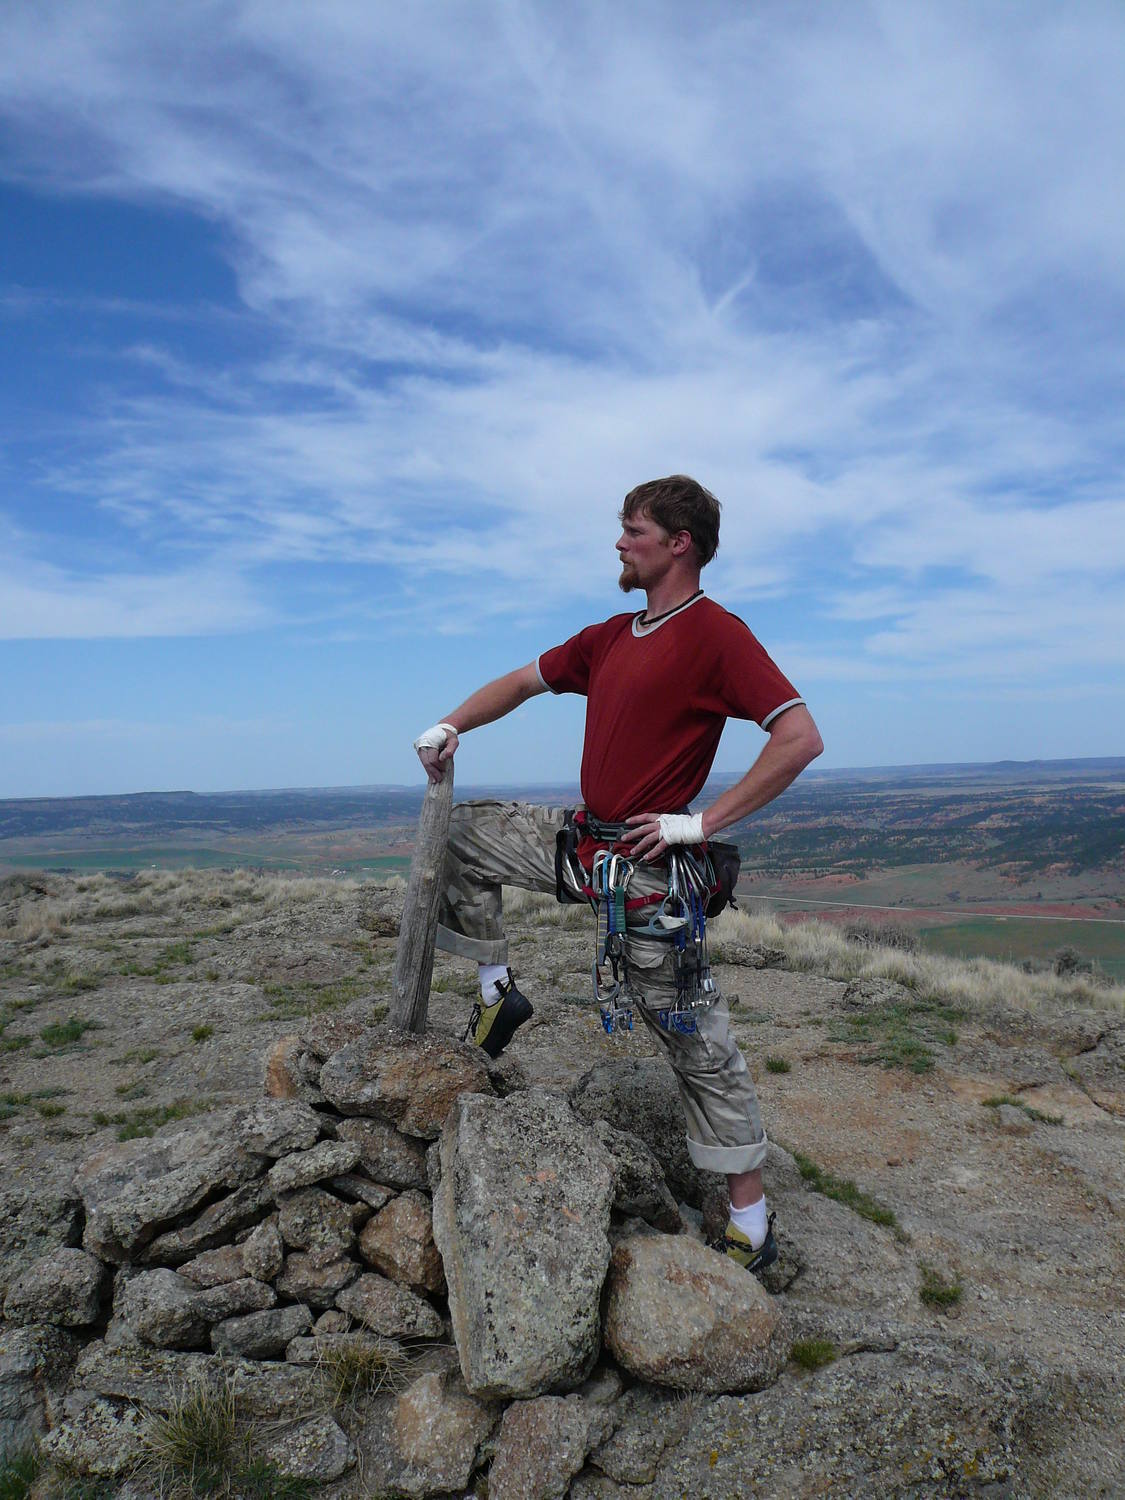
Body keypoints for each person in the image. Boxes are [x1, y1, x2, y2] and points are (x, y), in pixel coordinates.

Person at [413, 475, 823, 1275]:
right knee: (463, 836)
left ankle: (749, 1216)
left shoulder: (714, 635)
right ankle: (498, 993)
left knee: (693, 1041)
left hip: (645, 872)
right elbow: (522, 681)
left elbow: (798, 738)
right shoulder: (608, 636)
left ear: (679, 543)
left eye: (632, 529)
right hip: (583, 846)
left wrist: (699, 823)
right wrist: (450, 721)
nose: (617, 543)